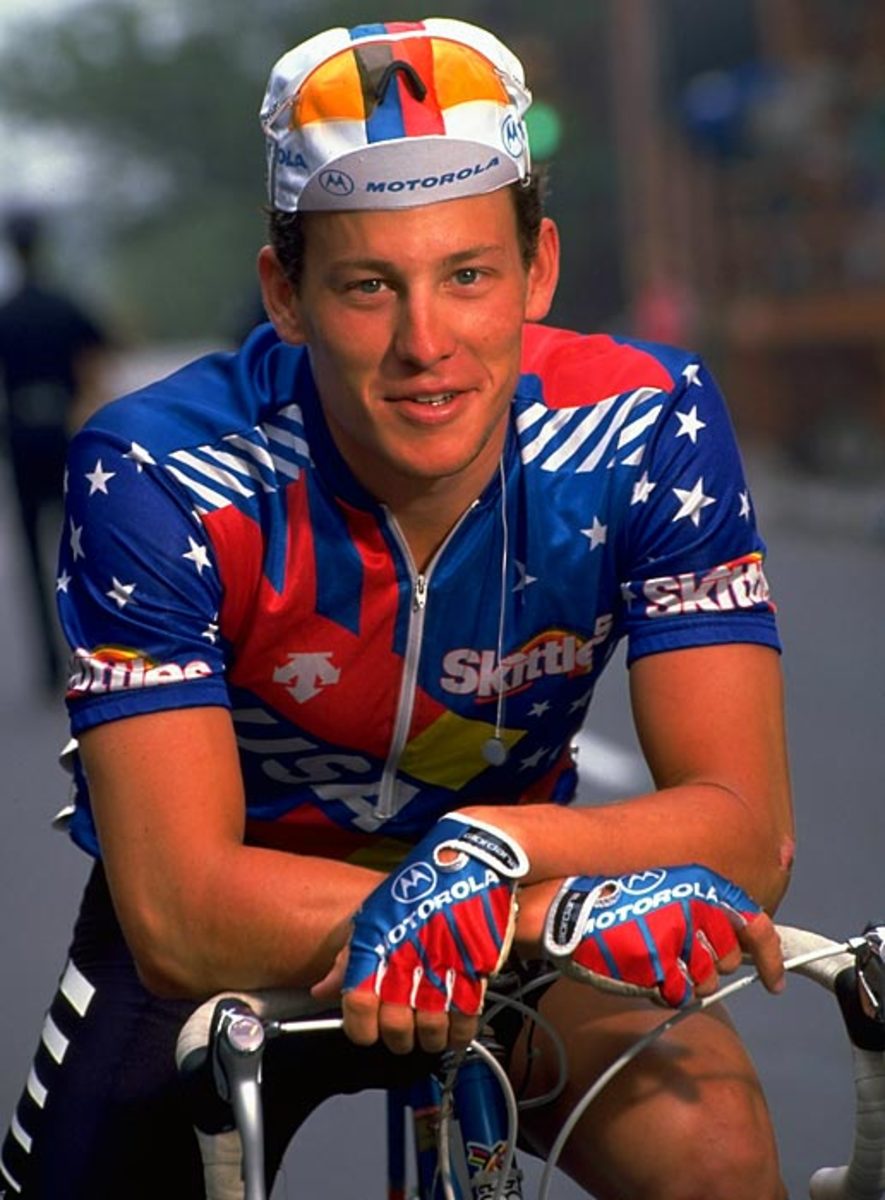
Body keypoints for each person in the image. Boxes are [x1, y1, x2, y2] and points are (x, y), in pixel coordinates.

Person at [1, 18, 794, 1199]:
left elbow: (746, 827)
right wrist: (521, 907)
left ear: (538, 270)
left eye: (468, 275)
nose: (427, 344)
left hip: (513, 894)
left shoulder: (646, 423)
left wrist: (489, 856)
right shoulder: (161, 472)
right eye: (369, 285)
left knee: (715, 1154)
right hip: (251, 928)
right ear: (286, 294)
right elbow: (176, 910)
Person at [0, 210, 110, 694]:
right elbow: (97, 356)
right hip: (66, 431)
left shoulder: (8, 312)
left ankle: (48, 665)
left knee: (32, 555)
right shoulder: (63, 305)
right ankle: (91, 645)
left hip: (21, 433)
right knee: (83, 546)